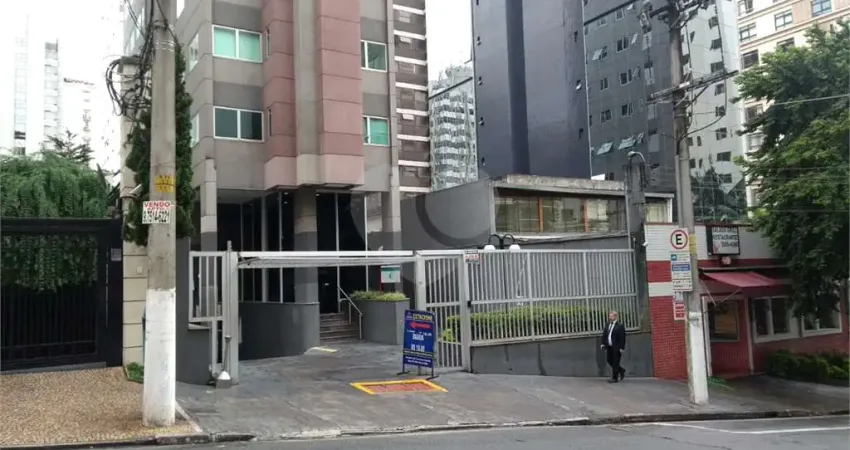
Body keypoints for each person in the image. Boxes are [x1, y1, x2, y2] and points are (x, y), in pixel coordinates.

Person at [600, 310, 626, 383]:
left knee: (615, 362)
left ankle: (615, 378)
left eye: (611, 316)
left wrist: (621, 347)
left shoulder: (620, 326)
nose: (609, 317)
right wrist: (603, 343)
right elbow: (605, 334)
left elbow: (622, 337)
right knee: (609, 360)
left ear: (615, 317)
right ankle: (621, 370)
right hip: (609, 346)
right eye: (609, 316)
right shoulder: (607, 324)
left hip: (616, 347)